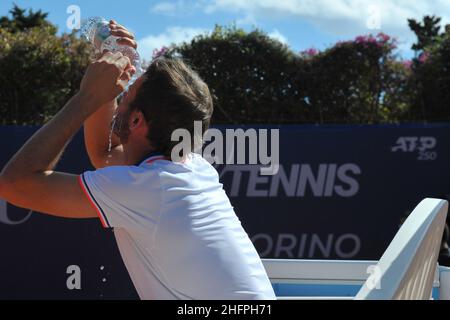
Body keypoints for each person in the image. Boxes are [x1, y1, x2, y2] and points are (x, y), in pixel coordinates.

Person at [0, 20, 275, 300]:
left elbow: (14, 184)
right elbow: (103, 154)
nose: (120, 92)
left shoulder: (149, 187)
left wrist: (88, 97)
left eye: (126, 93)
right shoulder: (190, 167)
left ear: (136, 119)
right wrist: (104, 65)